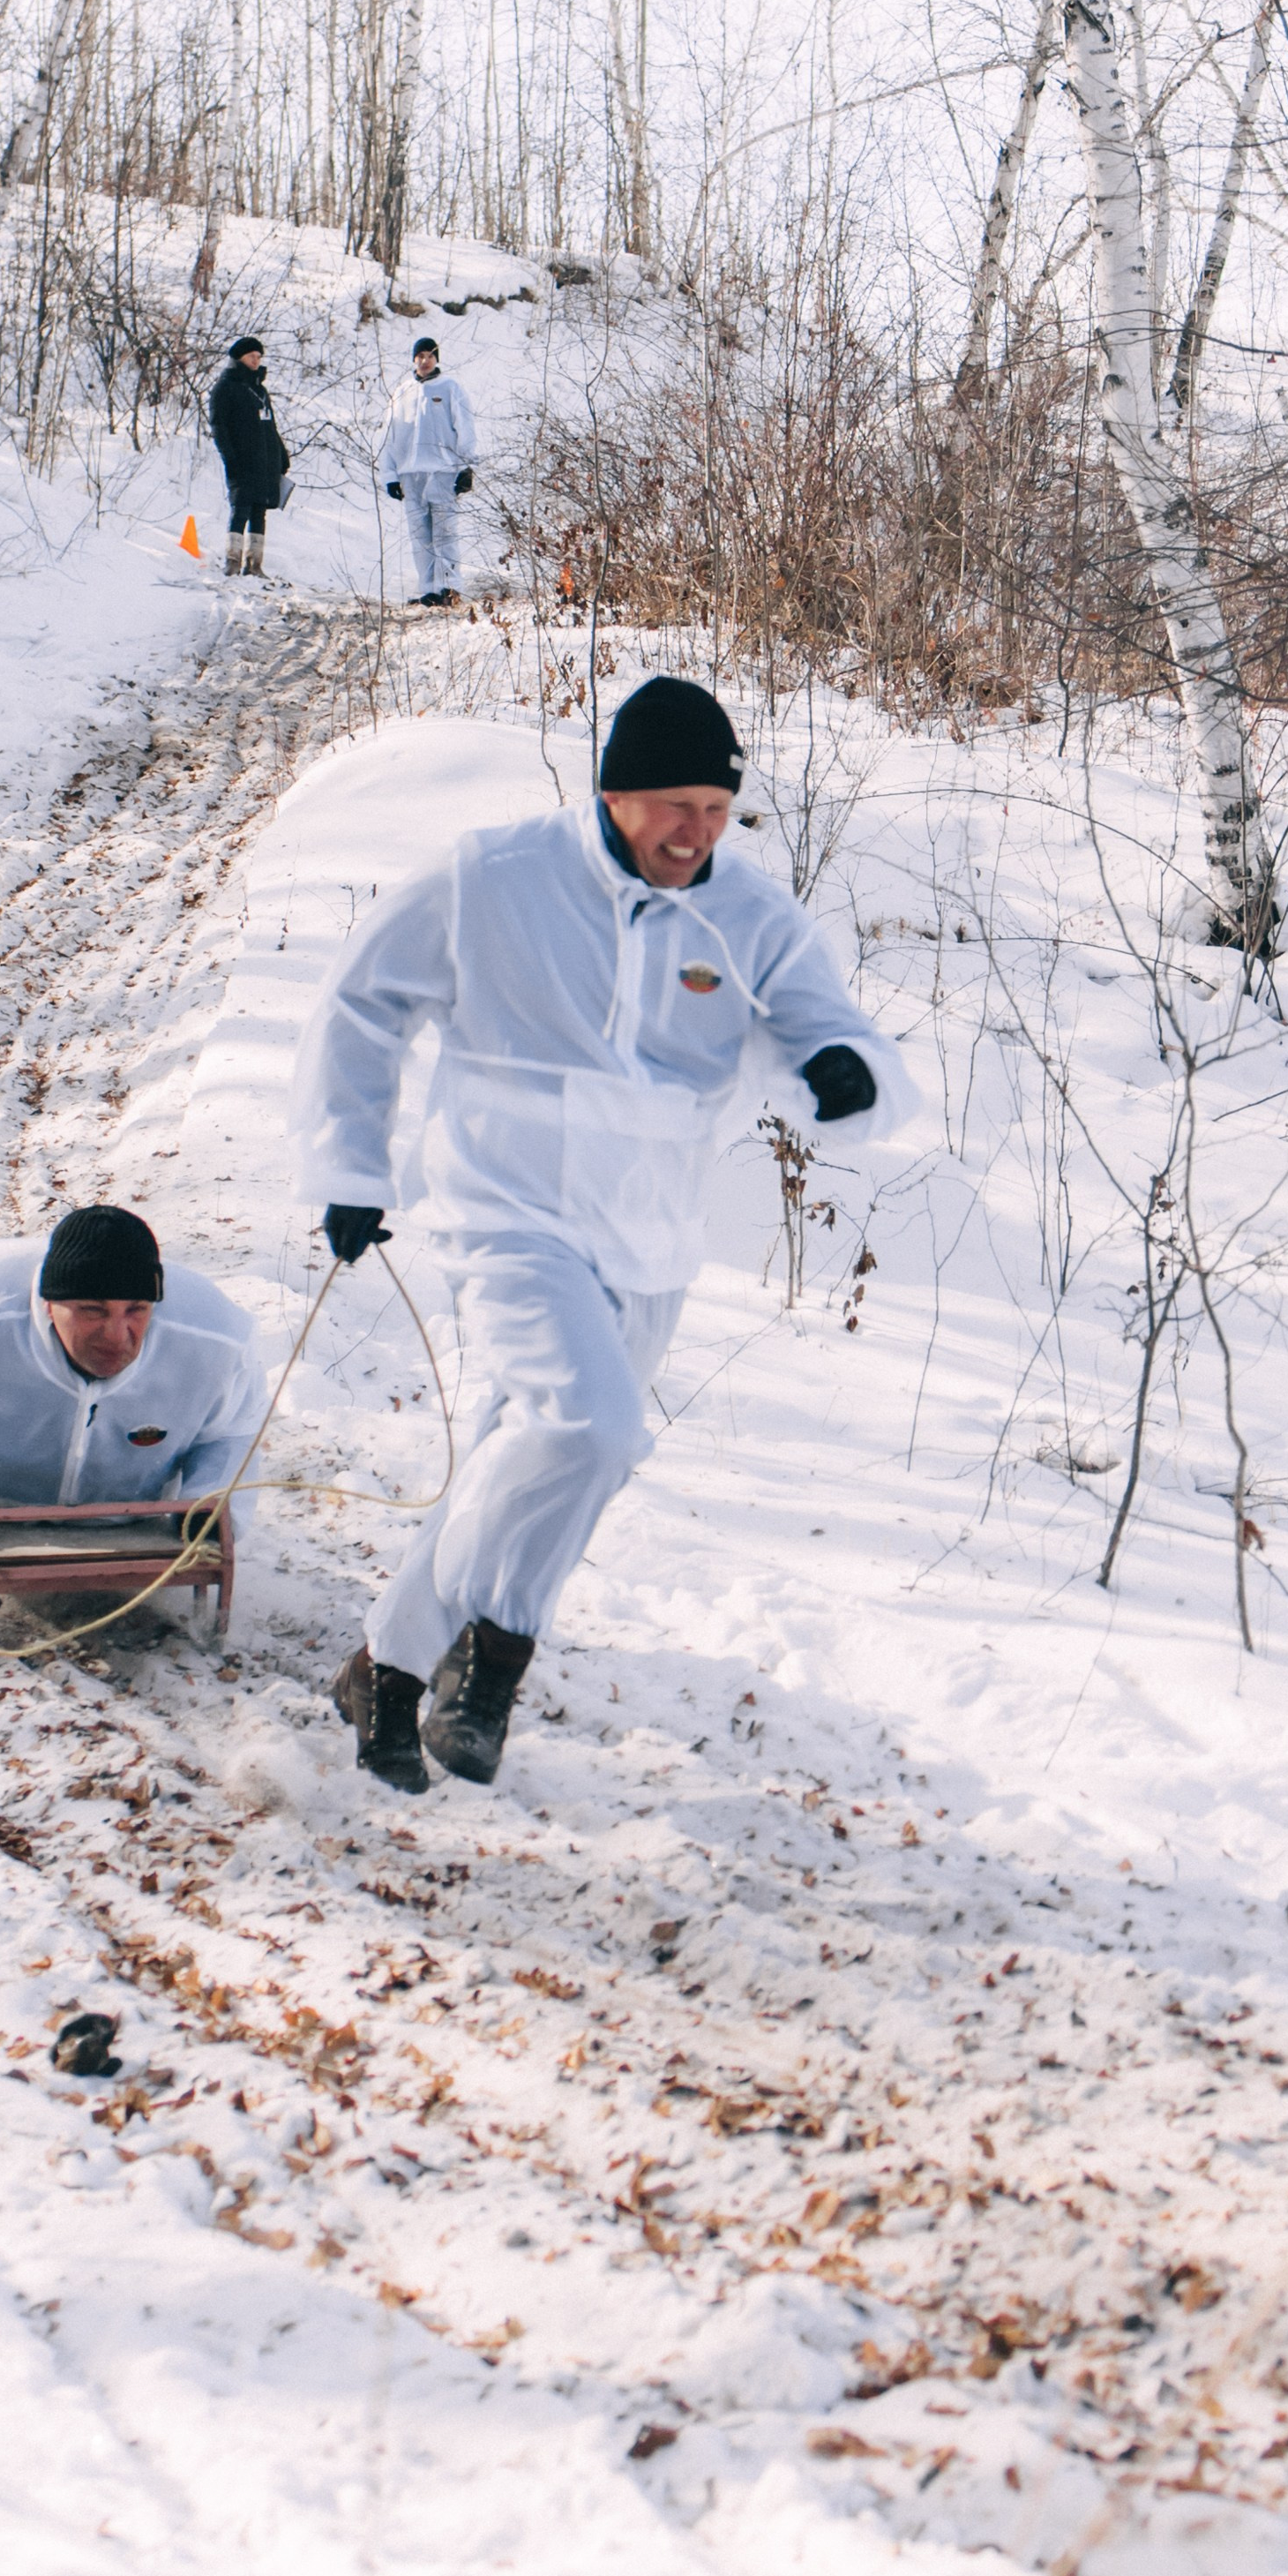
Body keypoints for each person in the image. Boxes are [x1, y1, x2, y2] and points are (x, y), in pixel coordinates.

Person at [292, 675, 909, 1794]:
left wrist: (844, 1076)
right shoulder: (495, 878)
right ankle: (493, 1655)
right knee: (591, 1429)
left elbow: (830, 1038)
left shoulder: (749, 917)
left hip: (651, 1233)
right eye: (675, 804)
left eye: (719, 810)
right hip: (506, 1208)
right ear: (613, 791)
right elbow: (363, 998)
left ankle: (382, 1671)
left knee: (525, 1460)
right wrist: (349, 1163)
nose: (697, 832)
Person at [0, 1205, 264, 1584]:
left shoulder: (214, 1342)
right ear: (50, 1304)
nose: (116, 1336)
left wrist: (209, 1502)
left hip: (118, 1511)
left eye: (136, 1310)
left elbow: (232, 1434)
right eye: (93, 1311)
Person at [377, 334, 476, 605]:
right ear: (413, 360)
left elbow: (465, 428)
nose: (424, 361)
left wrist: (466, 467)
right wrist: (390, 476)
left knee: (445, 532)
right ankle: (429, 589)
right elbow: (389, 435)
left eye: (430, 356)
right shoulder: (402, 392)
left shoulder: (450, 388)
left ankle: (449, 587)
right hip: (411, 474)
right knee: (421, 536)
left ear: (436, 359)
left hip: (443, 471)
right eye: (420, 356)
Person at [208, 334, 289, 580]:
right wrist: (229, 456)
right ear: (240, 357)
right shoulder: (226, 387)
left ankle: (255, 564)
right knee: (240, 508)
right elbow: (219, 426)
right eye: (252, 356)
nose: (256, 361)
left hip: (265, 461)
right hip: (242, 460)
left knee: (259, 511)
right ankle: (232, 561)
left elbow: (271, 427)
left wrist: (281, 456)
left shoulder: (260, 389)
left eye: (258, 357)